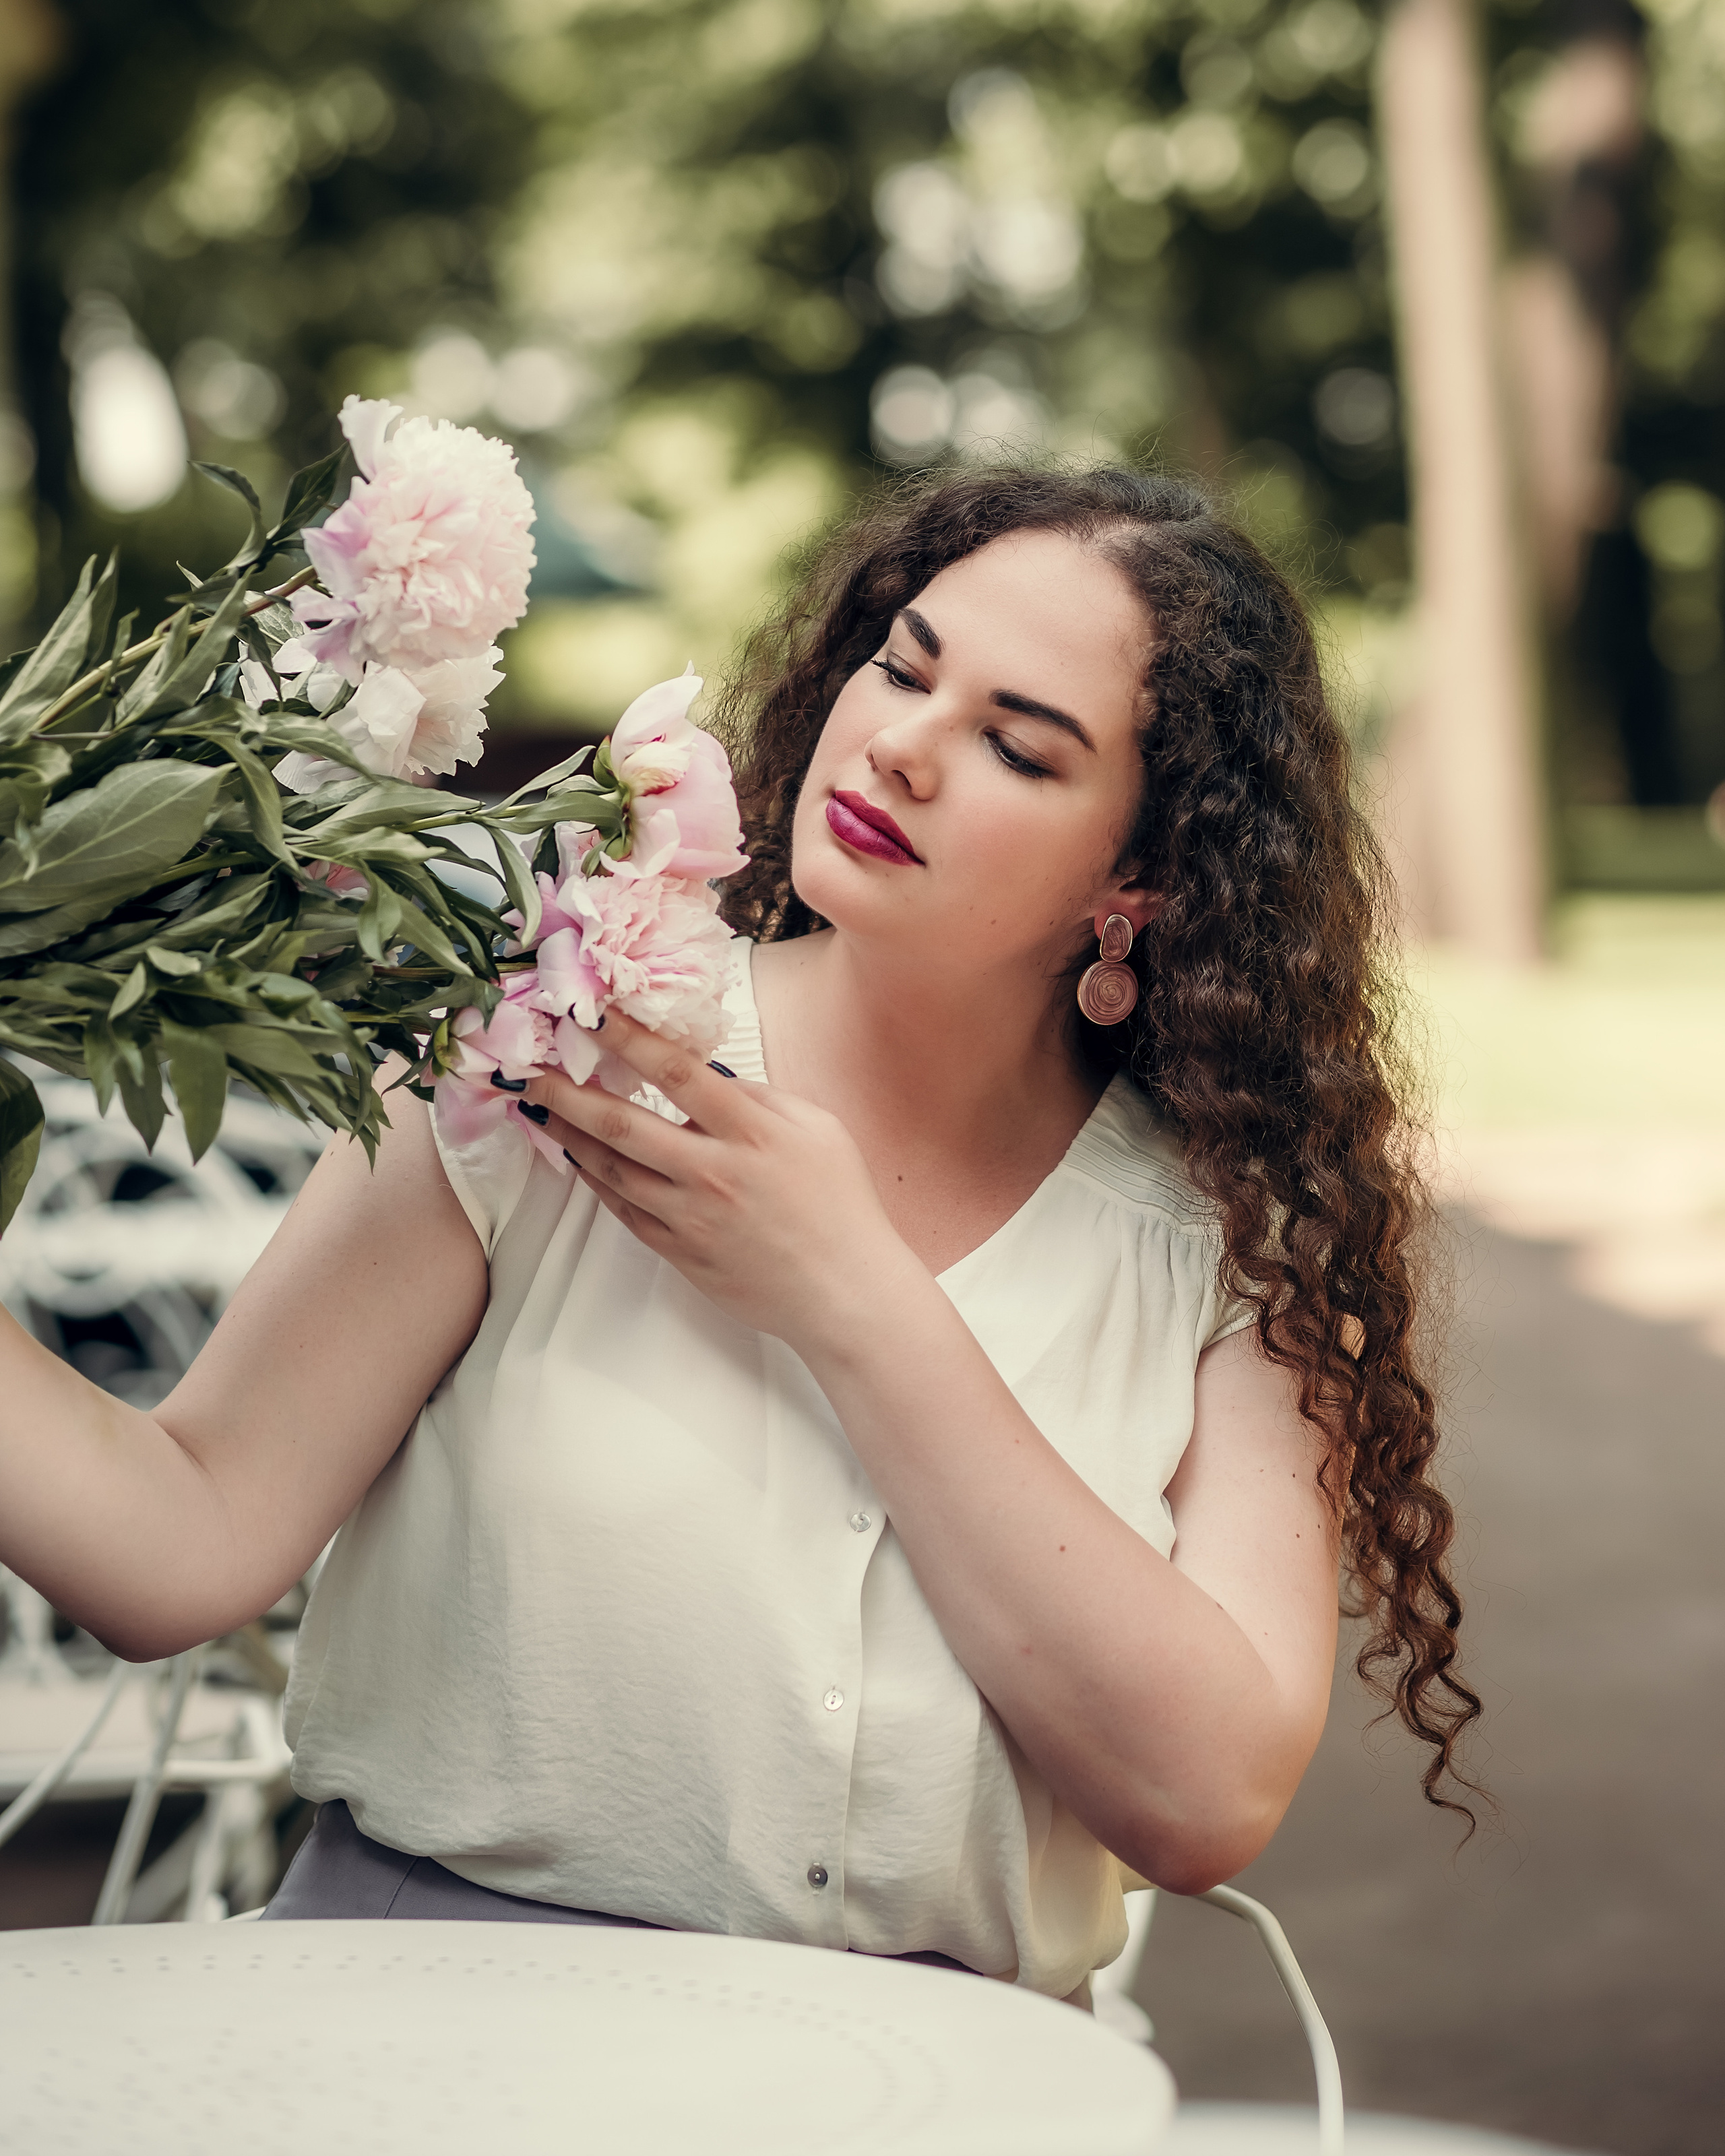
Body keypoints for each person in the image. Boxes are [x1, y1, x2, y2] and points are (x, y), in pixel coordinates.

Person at [0, 467, 1476, 2000]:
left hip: (934, 2093)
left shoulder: (1230, 1244)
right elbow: (175, 1537)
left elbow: (1203, 1798)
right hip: (423, 2032)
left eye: (1015, 747)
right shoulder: (552, 1042)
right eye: (901, 666)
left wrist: (854, 1301)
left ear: (1141, 879)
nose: (900, 744)